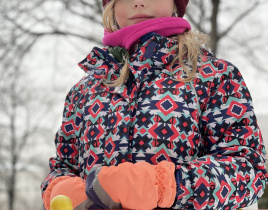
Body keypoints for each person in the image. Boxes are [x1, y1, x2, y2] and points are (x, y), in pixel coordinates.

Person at [41, 0, 268, 209]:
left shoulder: (214, 76)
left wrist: (166, 186)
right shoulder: (85, 90)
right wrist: (59, 187)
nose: (139, 2)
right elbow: (64, 163)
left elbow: (249, 169)